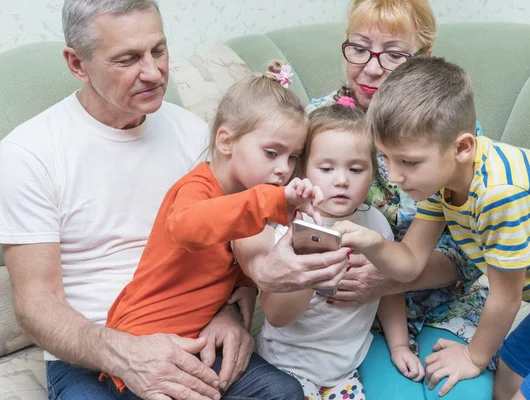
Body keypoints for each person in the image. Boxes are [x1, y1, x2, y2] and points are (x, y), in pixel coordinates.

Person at [0, 2, 305, 399]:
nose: (153, 72)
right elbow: (36, 308)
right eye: (128, 59)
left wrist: (231, 311)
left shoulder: (194, 134)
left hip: (194, 331)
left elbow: (235, 238)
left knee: (281, 393)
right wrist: (127, 355)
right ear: (77, 64)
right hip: (92, 355)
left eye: (158, 50)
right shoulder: (28, 154)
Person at [336, 56, 530, 400]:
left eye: (409, 162)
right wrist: (372, 243)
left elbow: (506, 298)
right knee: (505, 382)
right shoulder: (441, 180)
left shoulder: (500, 195)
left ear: (461, 147)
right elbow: (411, 262)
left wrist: (473, 357)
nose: (395, 175)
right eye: (385, 157)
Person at [303, 1, 493, 399]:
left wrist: (388, 278)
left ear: (422, 58)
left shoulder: (451, 127)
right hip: (359, 316)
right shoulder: (317, 124)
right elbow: (266, 206)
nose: (371, 69)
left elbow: (472, 246)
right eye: (358, 48)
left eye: (393, 54)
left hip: (447, 302)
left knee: (460, 393)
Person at [101, 61, 321, 400]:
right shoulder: (198, 188)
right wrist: (271, 201)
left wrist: (246, 286)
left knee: (284, 391)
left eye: (293, 158)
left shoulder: (249, 196)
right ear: (226, 141)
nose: (283, 170)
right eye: (272, 153)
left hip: (202, 343)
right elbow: (189, 227)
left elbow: (234, 258)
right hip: (146, 346)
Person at [256, 102, 425, 400]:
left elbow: (389, 289)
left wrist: (399, 345)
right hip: (285, 367)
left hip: (344, 372)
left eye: (356, 169)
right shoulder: (289, 228)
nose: (342, 180)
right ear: (303, 169)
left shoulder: (375, 225)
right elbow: (277, 315)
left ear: (373, 173)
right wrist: (310, 269)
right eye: (326, 168)